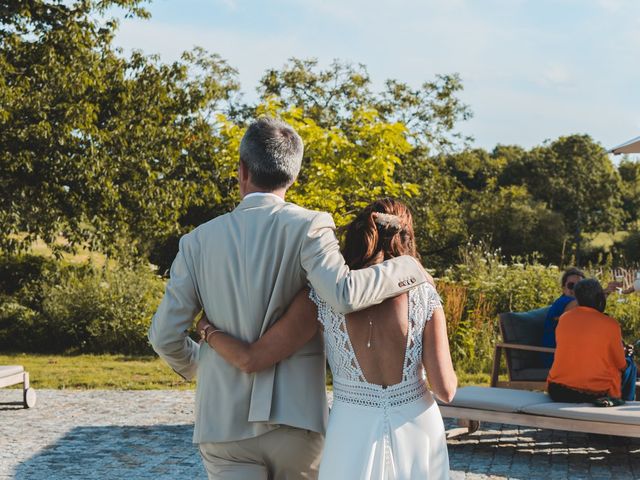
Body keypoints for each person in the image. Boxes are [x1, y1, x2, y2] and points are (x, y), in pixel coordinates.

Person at [148, 117, 431, 480]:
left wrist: (202, 367)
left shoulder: (197, 242)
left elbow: (163, 336)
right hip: (295, 420)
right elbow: (344, 293)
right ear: (293, 175)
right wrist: (408, 266)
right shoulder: (311, 226)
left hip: (221, 421)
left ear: (242, 170)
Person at [199, 198, 457, 480]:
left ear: (359, 235)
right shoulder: (424, 293)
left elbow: (252, 358)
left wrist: (207, 329)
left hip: (351, 429)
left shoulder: (322, 298)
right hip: (417, 426)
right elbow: (445, 390)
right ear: (405, 238)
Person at [546, 278, 633, 404]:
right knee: (630, 365)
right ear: (600, 298)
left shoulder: (564, 319)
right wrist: (624, 354)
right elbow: (621, 364)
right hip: (594, 393)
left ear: (578, 299)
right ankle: (624, 405)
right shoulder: (610, 324)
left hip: (557, 390)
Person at [540, 268, 585, 368]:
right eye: (571, 285)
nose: (575, 289)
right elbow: (575, 305)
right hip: (554, 357)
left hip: (568, 354)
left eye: (580, 286)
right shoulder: (563, 302)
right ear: (564, 288)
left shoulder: (580, 305)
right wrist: (598, 293)